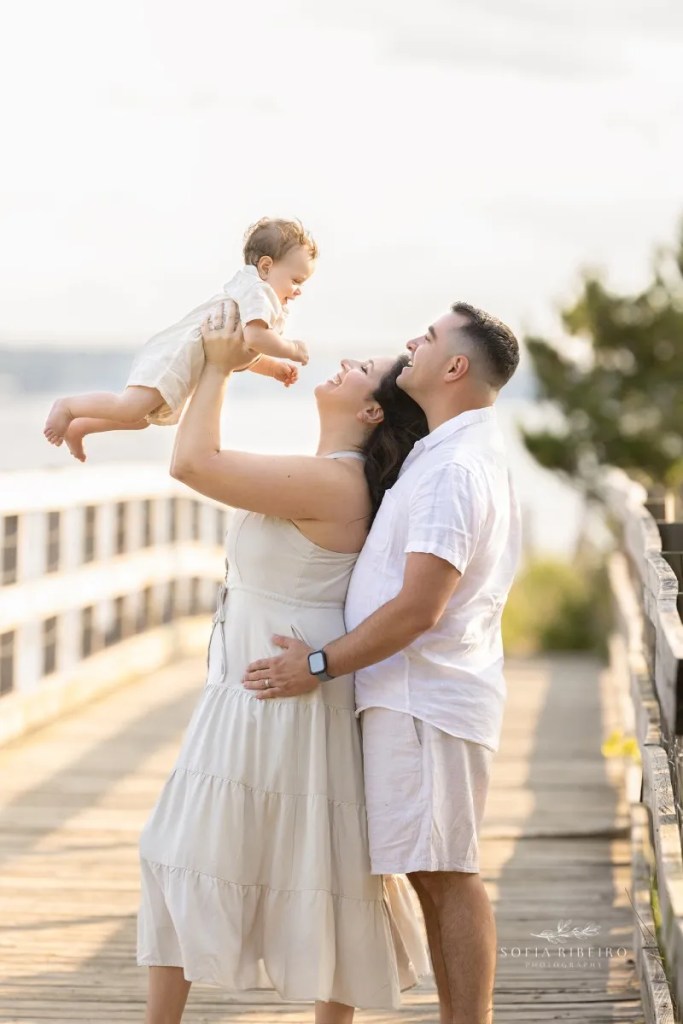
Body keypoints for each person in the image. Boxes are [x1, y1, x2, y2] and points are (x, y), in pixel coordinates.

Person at [137, 300, 430, 1024]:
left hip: (282, 694)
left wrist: (216, 368)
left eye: (361, 370)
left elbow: (190, 461)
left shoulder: (335, 481)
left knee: (281, 863)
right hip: (259, 685)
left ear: (370, 414)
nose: (344, 364)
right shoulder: (324, 474)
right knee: (226, 854)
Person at [243, 302, 522, 1024]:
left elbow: (419, 606)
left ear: (455, 368)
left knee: (446, 874)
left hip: (425, 697)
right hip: (411, 696)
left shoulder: (454, 468)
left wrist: (317, 663)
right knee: (432, 872)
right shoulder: (442, 454)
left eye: (427, 338)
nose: (410, 344)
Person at [42, 217, 315, 461]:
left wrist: (275, 369)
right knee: (129, 408)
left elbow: (240, 352)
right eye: (296, 280)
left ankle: (81, 426)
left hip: (172, 355)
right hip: (172, 356)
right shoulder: (259, 292)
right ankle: (67, 406)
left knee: (139, 418)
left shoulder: (254, 296)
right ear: (266, 266)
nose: (299, 290)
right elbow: (256, 337)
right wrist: (291, 350)